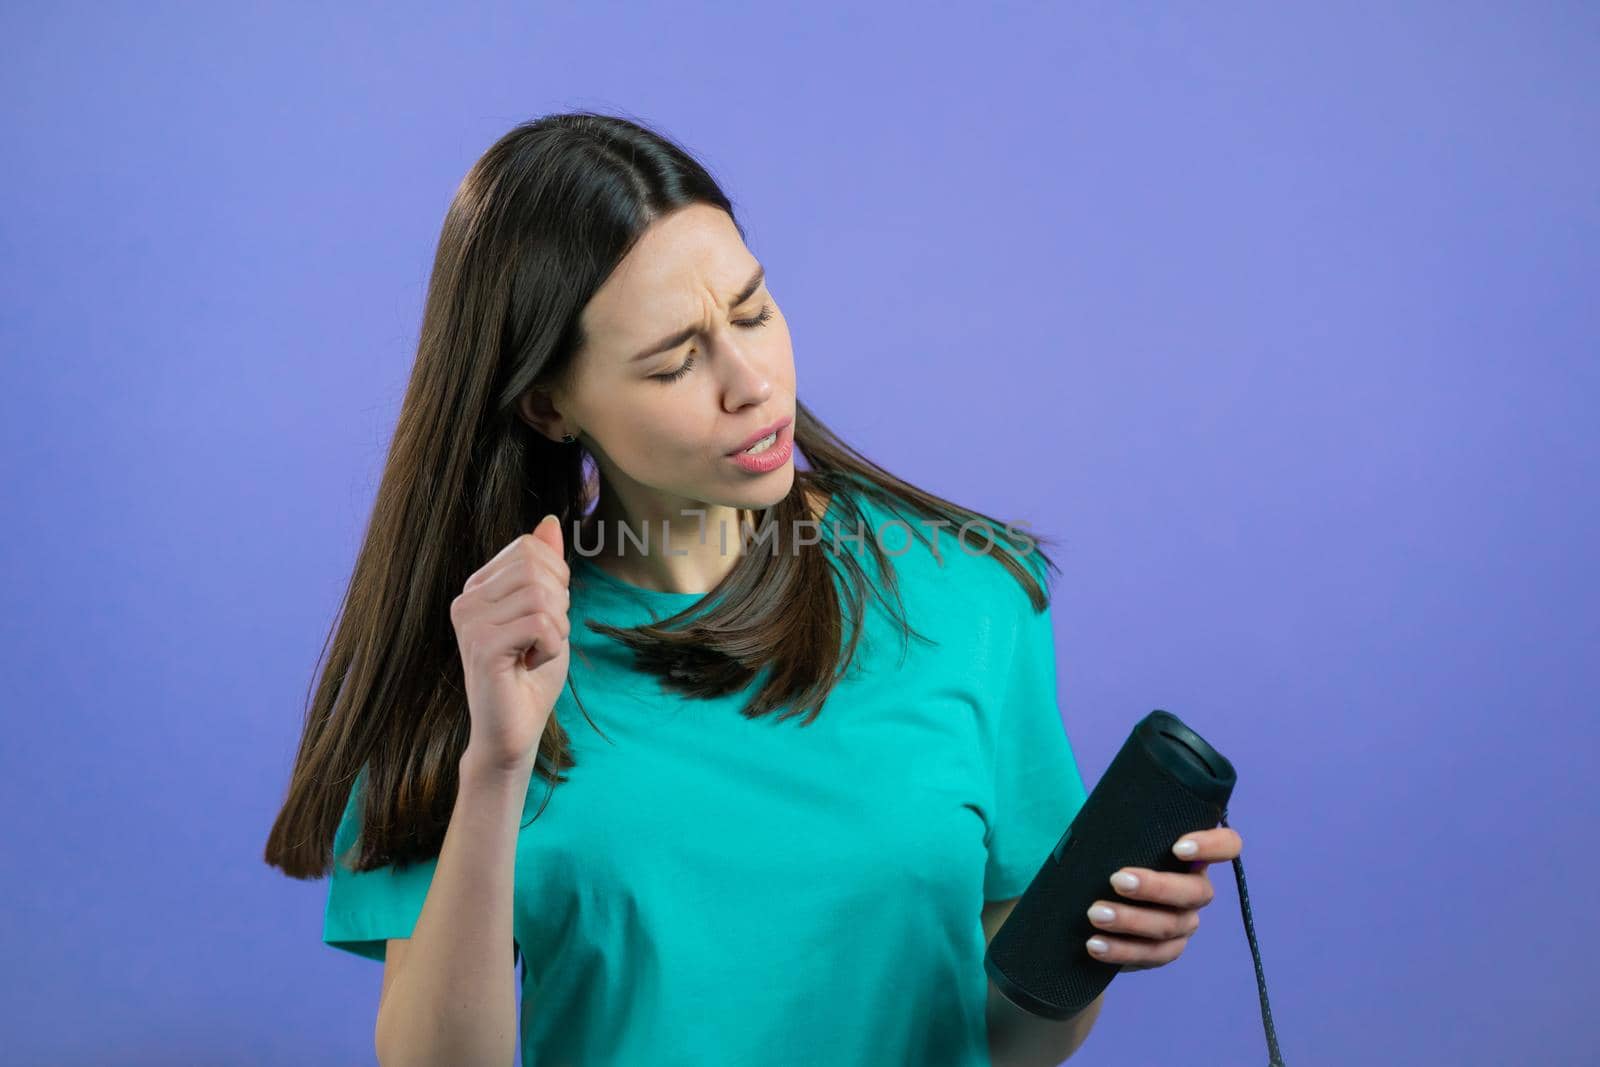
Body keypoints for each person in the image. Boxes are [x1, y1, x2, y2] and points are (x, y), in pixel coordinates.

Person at [264, 110, 1240, 1067]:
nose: (753, 382)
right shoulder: (487, 654)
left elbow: (1002, 1042)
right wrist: (495, 765)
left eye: (752, 309)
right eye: (676, 358)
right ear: (548, 404)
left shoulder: (970, 596)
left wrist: (1086, 958)